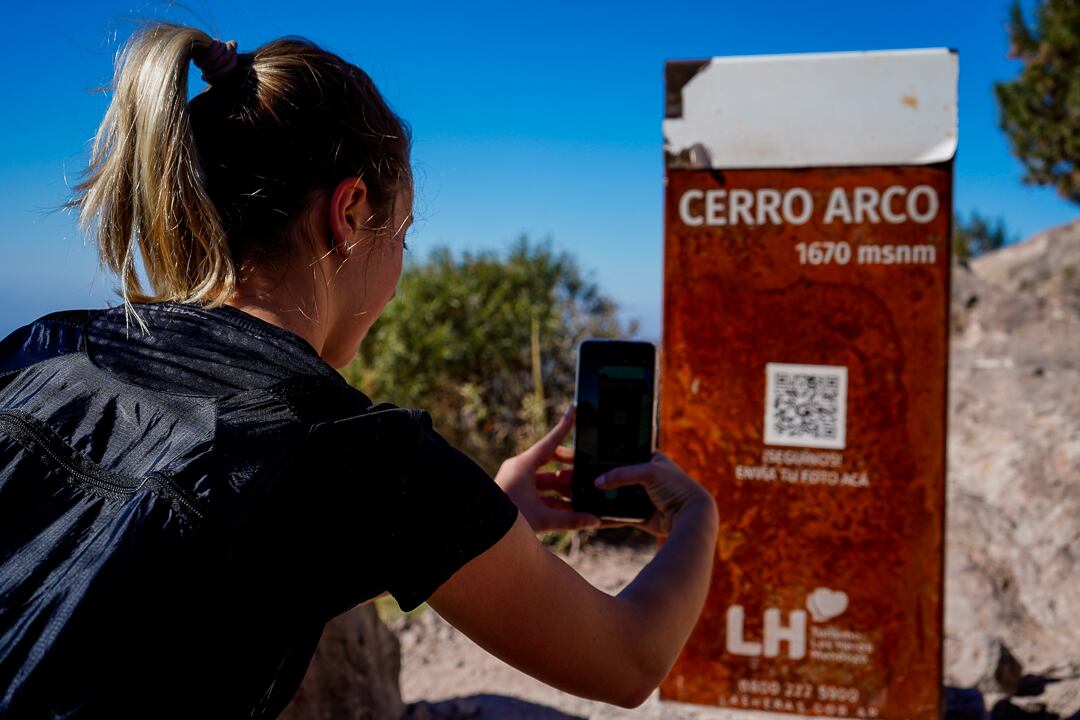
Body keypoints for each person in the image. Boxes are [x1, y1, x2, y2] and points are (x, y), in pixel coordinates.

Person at [0, 21, 719, 718]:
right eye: (401, 233)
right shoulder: (356, 456)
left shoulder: (43, 349)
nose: (401, 269)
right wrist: (696, 515)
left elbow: (195, 564)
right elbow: (627, 661)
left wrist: (481, 518)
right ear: (348, 212)